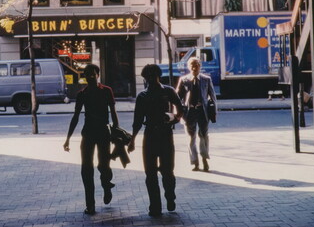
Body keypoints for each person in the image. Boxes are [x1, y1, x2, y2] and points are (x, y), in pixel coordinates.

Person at [128, 64, 184, 217]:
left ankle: (170, 196)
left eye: (152, 76)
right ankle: (155, 205)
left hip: (166, 135)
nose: (150, 80)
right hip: (150, 136)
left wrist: (174, 119)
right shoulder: (142, 96)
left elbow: (180, 109)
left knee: (167, 172)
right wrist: (132, 140)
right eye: (147, 77)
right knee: (150, 174)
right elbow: (138, 120)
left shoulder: (168, 91)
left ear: (158, 76)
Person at [63, 64, 119, 215]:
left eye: (92, 74)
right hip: (88, 134)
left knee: (104, 165)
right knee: (86, 169)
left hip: (103, 133)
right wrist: (68, 138)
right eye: (87, 74)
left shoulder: (106, 91)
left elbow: (113, 113)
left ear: (98, 75)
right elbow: (75, 117)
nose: (90, 77)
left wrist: (116, 132)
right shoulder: (82, 94)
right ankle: (90, 204)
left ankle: (106, 185)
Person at [176, 57, 217, 172]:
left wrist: (214, 112)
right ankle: (195, 162)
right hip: (189, 113)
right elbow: (177, 97)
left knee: (204, 136)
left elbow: (213, 97)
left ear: (200, 66)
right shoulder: (184, 80)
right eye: (192, 65)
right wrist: (178, 112)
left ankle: (204, 158)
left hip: (203, 112)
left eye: (196, 65)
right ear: (189, 67)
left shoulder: (206, 79)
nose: (194, 67)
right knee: (191, 138)